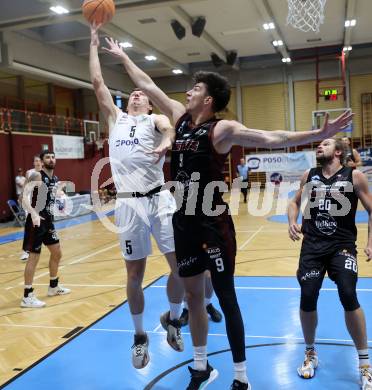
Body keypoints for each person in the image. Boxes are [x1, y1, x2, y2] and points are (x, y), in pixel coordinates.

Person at [102, 33, 352, 390]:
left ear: (208, 99)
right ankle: (202, 367)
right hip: (184, 220)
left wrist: (318, 132)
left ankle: (241, 376)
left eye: (193, 89)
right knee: (192, 298)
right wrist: (121, 56)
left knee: (226, 297)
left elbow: (273, 137)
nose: (186, 92)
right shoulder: (179, 117)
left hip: (213, 224)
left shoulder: (221, 129)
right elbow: (146, 83)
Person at [89, 23, 184, 370]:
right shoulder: (116, 120)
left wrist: (168, 142)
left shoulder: (154, 119)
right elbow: (98, 85)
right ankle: (140, 337)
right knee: (135, 274)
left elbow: (170, 126)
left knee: (179, 267)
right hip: (128, 203)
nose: (136, 95)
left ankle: (173, 320)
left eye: (140, 94)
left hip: (159, 198)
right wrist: (93, 44)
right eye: (132, 94)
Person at [287, 138, 372, 389]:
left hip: (341, 246)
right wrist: (292, 220)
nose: (318, 147)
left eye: (324, 144)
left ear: (337, 152)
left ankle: (365, 363)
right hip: (312, 247)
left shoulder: (354, 177)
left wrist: (370, 242)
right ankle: (311, 352)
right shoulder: (309, 175)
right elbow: (293, 202)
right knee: (308, 295)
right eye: (318, 145)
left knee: (348, 293)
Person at [21, 151, 70, 308]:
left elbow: (51, 196)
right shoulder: (36, 176)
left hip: (48, 221)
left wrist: (61, 197)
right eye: (47, 157)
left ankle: (53, 287)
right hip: (36, 221)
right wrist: (33, 213)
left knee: (57, 253)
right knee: (34, 257)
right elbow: (22, 197)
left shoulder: (54, 178)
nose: (51, 159)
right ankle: (27, 296)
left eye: (53, 157)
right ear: (42, 161)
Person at [21, 156, 44, 261]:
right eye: (36, 160)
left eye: (39, 161)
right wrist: (21, 195)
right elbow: (25, 186)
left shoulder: (46, 173)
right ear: (33, 162)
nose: (38, 162)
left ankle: (46, 245)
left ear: (42, 163)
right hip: (30, 204)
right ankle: (25, 251)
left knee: (43, 227)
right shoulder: (29, 173)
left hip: (42, 205)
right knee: (30, 226)